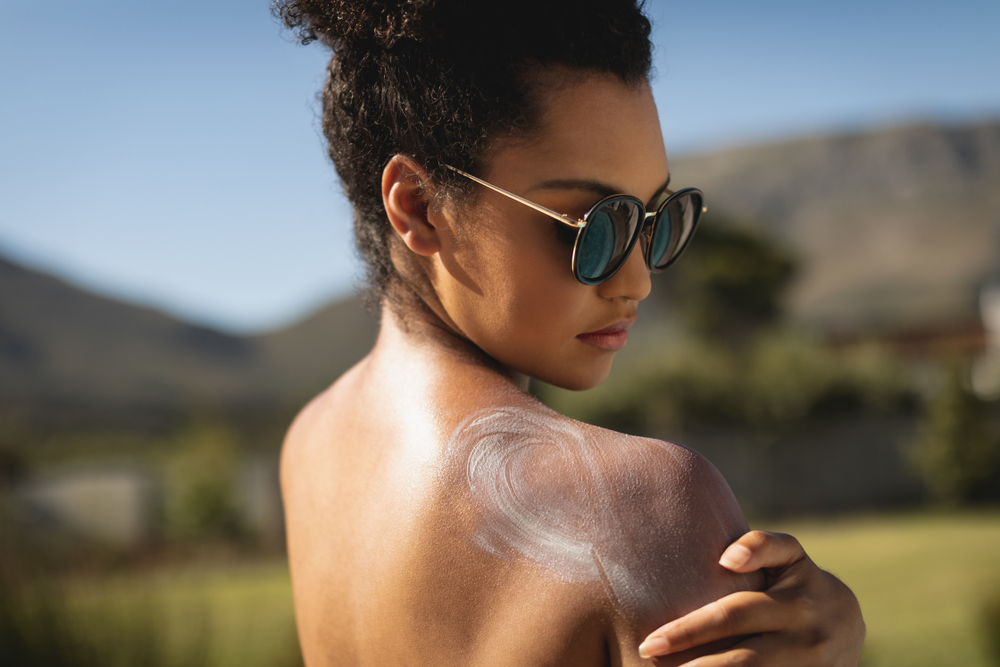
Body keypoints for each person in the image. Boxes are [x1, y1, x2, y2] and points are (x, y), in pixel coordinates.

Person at [274, 1, 866, 665]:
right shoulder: (647, 505)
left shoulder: (309, 446)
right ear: (420, 206)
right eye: (594, 226)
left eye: (653, 220)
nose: (638, 280)